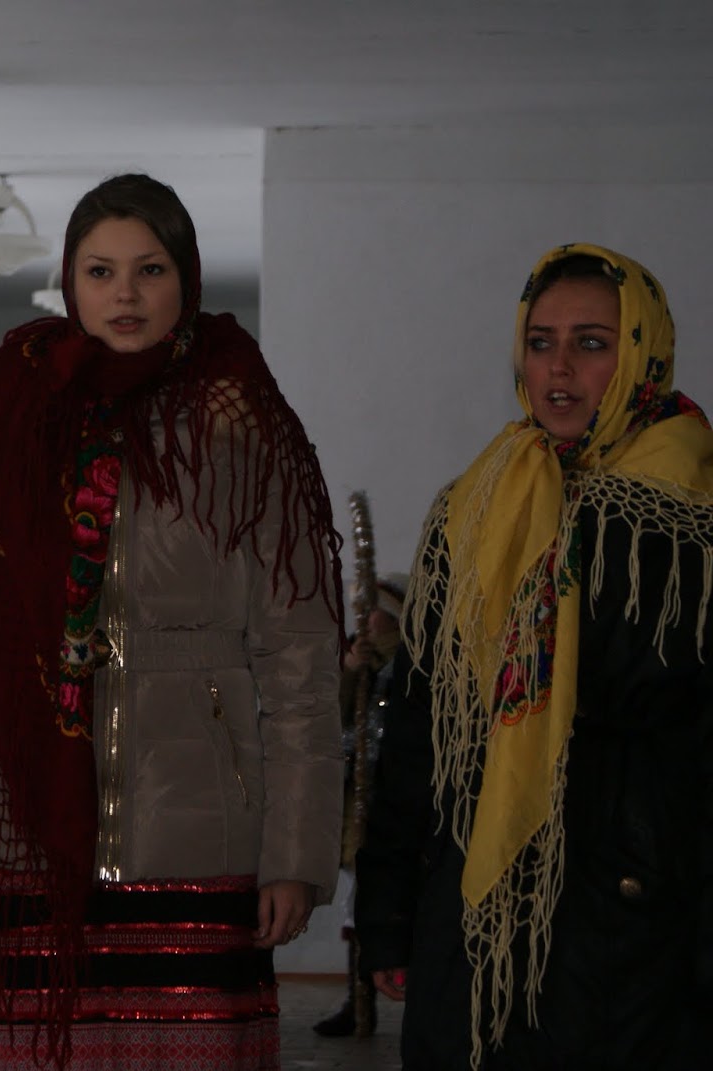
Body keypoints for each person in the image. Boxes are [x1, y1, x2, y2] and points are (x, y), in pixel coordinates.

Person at [0, 173, 345, 1070]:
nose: (125, 294)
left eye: (150, 269)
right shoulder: (6, 421)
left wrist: (296, 855)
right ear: (70, 281)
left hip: (200, 827)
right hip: (22, 835)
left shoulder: (241, 426)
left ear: (187, 279)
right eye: (100, 271)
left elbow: (301, 658)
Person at [356, 244, 713, 1069]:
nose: (559, 368)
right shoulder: (477, 505)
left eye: (591, 343)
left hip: (633, 920)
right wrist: (389, 911)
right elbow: (420, 721)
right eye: (540, 340)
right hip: (474, 912)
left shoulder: (690, 521)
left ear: (642, 353)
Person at [314, 573, 406, 1039]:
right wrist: (351, 669)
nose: (366, 620)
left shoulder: (410, 664)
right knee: (357, 901)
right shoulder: (356, 660)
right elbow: (333, 714)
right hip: (359, 803)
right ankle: (358, 1000)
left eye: (375, 612)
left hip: (394, 800)